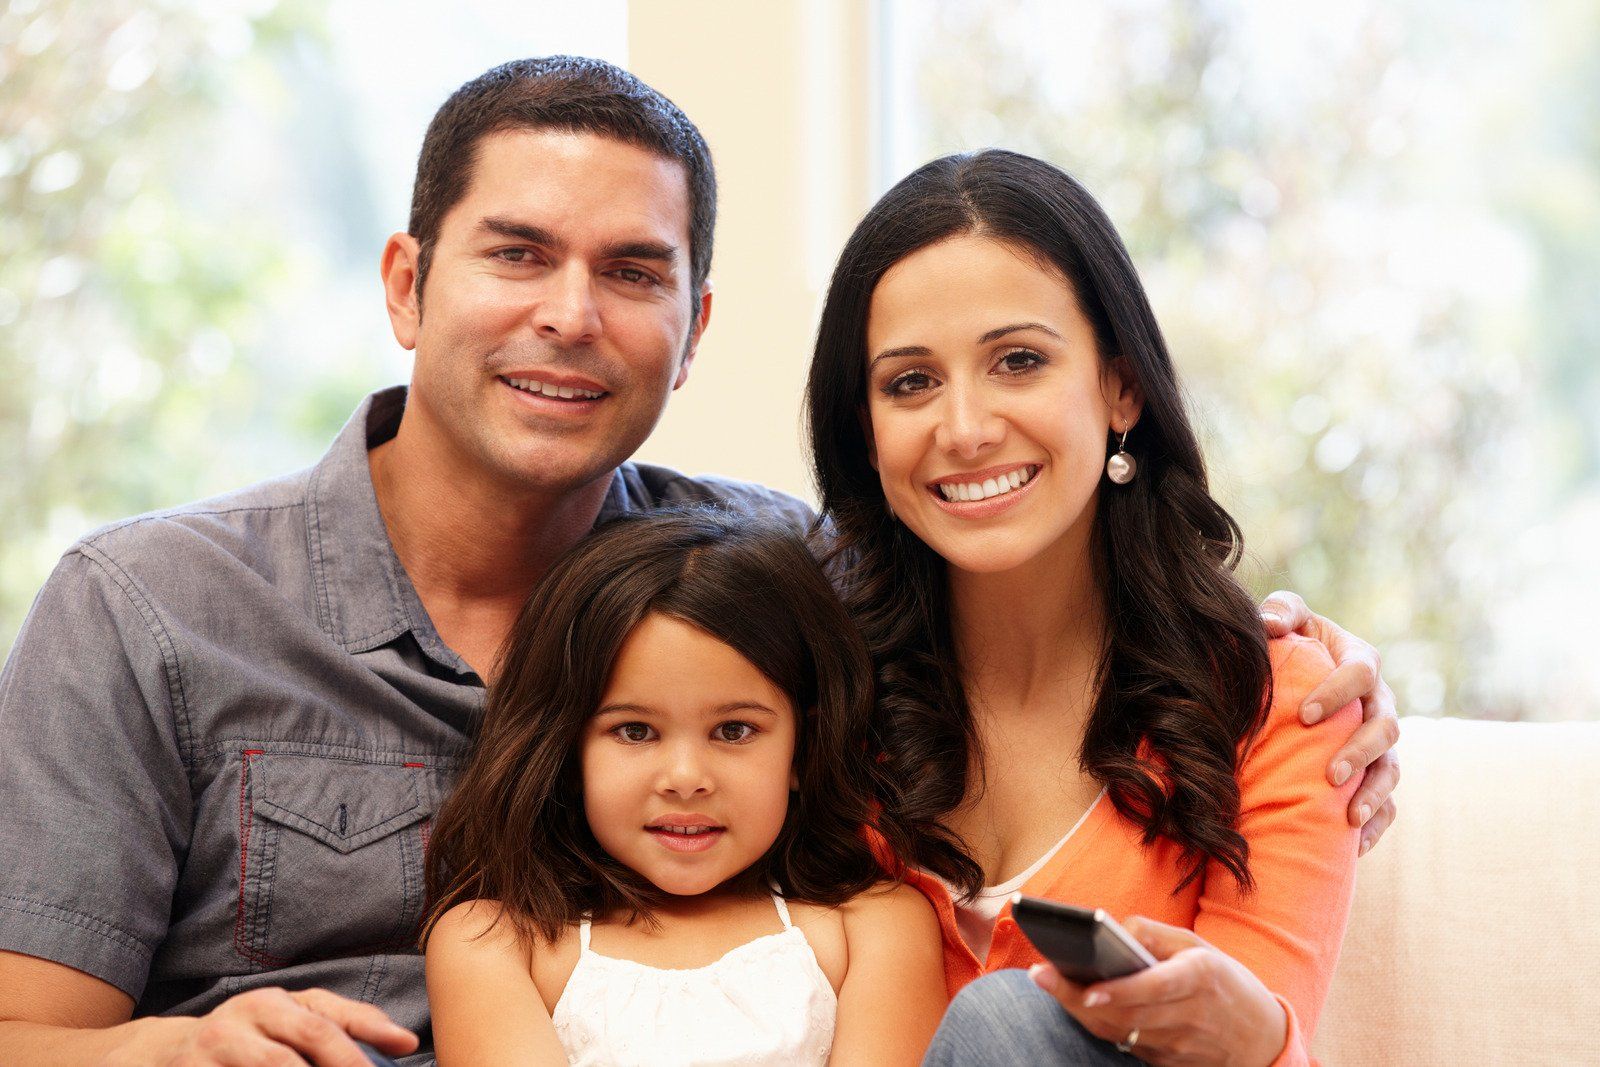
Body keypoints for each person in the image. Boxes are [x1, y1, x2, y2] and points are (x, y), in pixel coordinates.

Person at [0, 57, 1397, 1066]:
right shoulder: (152, 613)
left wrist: (1303, 659)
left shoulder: (781, 586)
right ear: (406, 285)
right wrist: (173, 1051)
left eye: (632, 271)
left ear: (698, 322)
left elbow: (1025, 564)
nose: (570, 314)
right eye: (517, 254)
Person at [806, 149, 1364, 1064]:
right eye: (910, 382)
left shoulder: (1281, 705)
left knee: (1009, 1020)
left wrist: (1249, 1030)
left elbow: (1273, 1024)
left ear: (1121, 388)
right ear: (864, 434)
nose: (965, 427)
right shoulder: (810, 699)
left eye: (1018, 361)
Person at [419, 509, 946, 1066]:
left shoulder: (876, 930)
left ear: (805, 747)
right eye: (635, 731)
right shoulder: (494, 945)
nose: (687, 779)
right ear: (569, 752)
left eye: (734, 731)